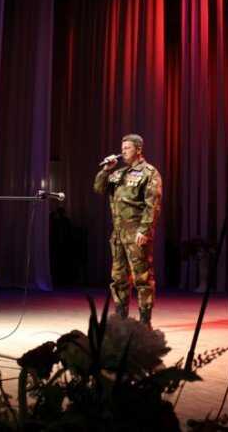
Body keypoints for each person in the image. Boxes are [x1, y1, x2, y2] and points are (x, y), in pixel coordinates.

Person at [93, 134, 162, 327]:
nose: (123, 151)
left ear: (138, 149)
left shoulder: (149, 172)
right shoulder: (119, 173)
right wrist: (106, 170)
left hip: (136, 232)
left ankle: (145, 322)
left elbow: (153, 205)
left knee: (142, 278)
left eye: (127, 148)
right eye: (122, 148)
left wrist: (145, 230)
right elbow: (98, 188)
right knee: (119, 278)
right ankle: (121, 320)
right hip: (118, 234)